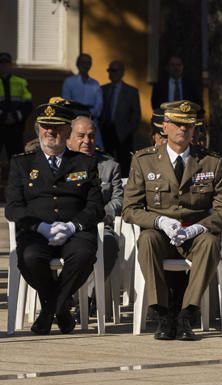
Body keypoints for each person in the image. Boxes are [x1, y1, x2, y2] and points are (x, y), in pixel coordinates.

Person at [122, 100, 222, 341]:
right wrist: (159, 221)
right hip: (162, 233)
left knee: (210, 243)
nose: (183, 129)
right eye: (177, 124)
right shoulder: (144, 160)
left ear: (194, 129)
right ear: (165, 127)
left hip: (195, 233)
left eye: (188, 125)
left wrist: (199, 227)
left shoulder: (210, 162)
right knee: (147, 239)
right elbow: (130, 209)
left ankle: (186, 313)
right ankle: (163, 313)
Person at [5, 100, 103, 335]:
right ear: (38, 128)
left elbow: (95, 206)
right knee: (29, 258)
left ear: (67, 131)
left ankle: (48, 312)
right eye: (46, 126)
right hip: (37, 233)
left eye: (57, 127)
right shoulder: (22, 163)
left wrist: (72, 226)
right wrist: (39, 227)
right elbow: (13, 208)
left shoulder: (84, 163)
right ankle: (60, 311)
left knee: (84, 255)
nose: (51, 132)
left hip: (75, 232)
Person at [67, 114, 122, 278]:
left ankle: (92, 297)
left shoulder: (110, 166)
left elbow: (118, 200)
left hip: (99, 225)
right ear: (68, 139)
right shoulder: (60, 164)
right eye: (81, 136)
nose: (87, 141)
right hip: (67, 225)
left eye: (91, 136)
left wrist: (94, 216)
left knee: (109, 243)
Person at [100, 60, 140, 177]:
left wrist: (128, 131)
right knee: (106, 160)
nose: (111, 73)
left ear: (121, 72)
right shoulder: (103, 89)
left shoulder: (131, 91)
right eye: (109, 70)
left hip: (123, 133)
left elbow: (136, 114)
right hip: (106, 131)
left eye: (114, 70)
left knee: (124, 162)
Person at [0, 52, 32, 162]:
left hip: (15, 127)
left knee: (17, 159)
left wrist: (15, 116)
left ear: (11, 65)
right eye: (1, 63)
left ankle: (16, 179)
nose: (4, 66)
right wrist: (3, 116)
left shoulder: (21, 82)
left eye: (6, 63)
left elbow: (28, 104)